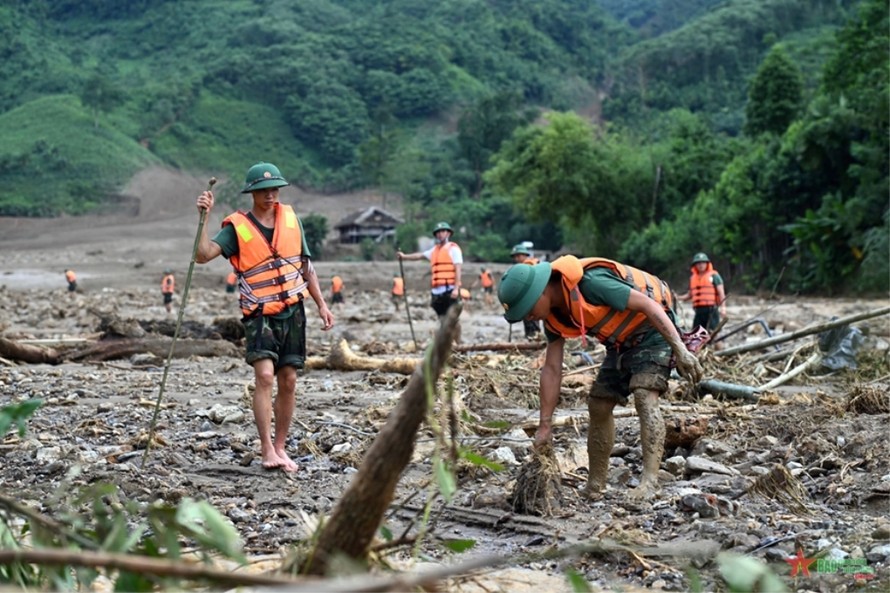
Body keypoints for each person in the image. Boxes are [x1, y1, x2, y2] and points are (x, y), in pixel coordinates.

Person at [497, 256, 704, 501]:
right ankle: (595, 485)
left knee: (643, 395)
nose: (530, 318)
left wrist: (680, 349)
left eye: (529, 311)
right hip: (620, 343)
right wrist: (544, 426)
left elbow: (649, 306)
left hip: (653, 332)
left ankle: (650, 482)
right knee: (598, 404)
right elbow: (552, 369)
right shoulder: (552, 319)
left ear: (541, 292)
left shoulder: (592, 283)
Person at [195, 162, 335, 473]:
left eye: (274, 189)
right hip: (260, 314)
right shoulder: (237, 228)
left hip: (293, 311)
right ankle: (267, 449)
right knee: (265, 377)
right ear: (252, 193)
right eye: (264, 190)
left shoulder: (291, 220)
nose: (271, 195)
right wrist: (203, 218)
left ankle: (282, 446)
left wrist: (322, 304)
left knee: (289, 379)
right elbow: (202, 255)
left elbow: (305, 266)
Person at [397, 221, 463, 340]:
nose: (440, 234)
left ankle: (457, 344)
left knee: (453, 319)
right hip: (437, 292)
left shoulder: (453, 249)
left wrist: (456, 288)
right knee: (442, 319)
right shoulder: (434, 250)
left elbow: (458, 269)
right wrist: (404, 256)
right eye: (438, 232)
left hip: (449, 290)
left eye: (443, 231)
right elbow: (419, 256)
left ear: (448, 233)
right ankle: (447, 345)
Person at [677, 252, 727, 333]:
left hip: (711, 310)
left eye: (703, 262)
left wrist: (723, 308)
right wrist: (678, 297)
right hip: (699, 311)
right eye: (698, 263)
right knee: (696, 334)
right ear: (695, 265)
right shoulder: (693, 278)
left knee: (713, 333)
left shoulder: (714, 276)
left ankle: (718, 345)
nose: (701, 265)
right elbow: (690, 295)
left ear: (707, 264)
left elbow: (721, 292)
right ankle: (702, 345)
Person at [510, 244, 541, 339]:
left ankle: (534, 340)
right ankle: (531, 339)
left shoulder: (530, 266)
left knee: (532, 321)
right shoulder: (524, 266)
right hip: (527, 300)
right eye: (515, 257)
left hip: (531, 300)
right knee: (528, 322)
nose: (516, 259)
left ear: (525, 255)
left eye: (518, 256)